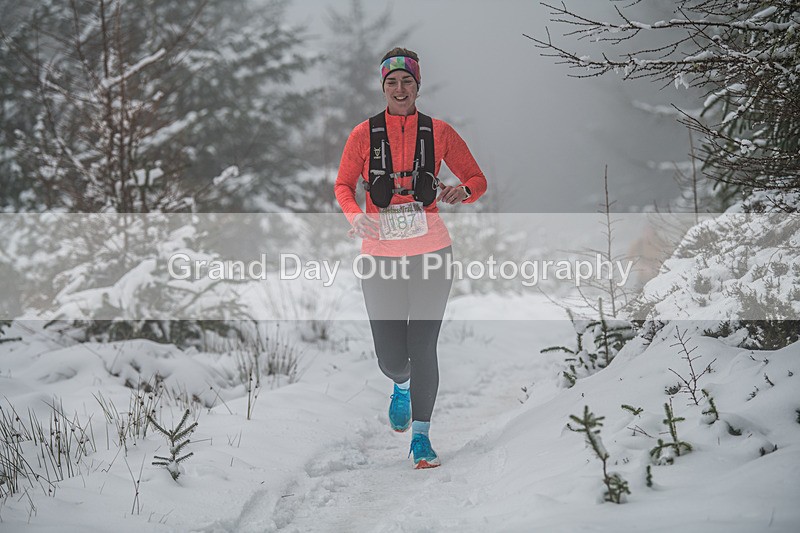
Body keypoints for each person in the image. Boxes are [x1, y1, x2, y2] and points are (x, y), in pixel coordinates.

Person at [334, 47, 487, 469]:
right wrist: (354, 216)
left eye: (407, 81)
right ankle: (400, 384)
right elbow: (344, 185)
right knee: (391, 358)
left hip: (431, 252)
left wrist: (463, 191)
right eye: (391, 82)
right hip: (380, 255)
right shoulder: (363, 135)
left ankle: (421, 438)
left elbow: (477, 178)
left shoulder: (440, 132)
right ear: (383, 87)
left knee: (423, 347)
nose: (400, 88)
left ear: (418, 85)